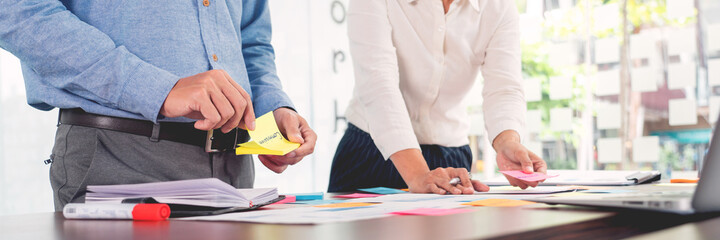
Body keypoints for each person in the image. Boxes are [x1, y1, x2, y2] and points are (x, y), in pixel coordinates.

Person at [0, 0, 316, 210]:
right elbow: (18, 10)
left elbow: (251, 39)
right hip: (119, 159)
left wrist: (272, 108)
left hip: (235, 172)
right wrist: (159, 90)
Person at [328, 0, 547, 194]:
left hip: (449, 159)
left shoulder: (497, 6)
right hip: (371, 153)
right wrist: (417, 174)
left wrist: (507, 142)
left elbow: (504, 87)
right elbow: (378, 85)